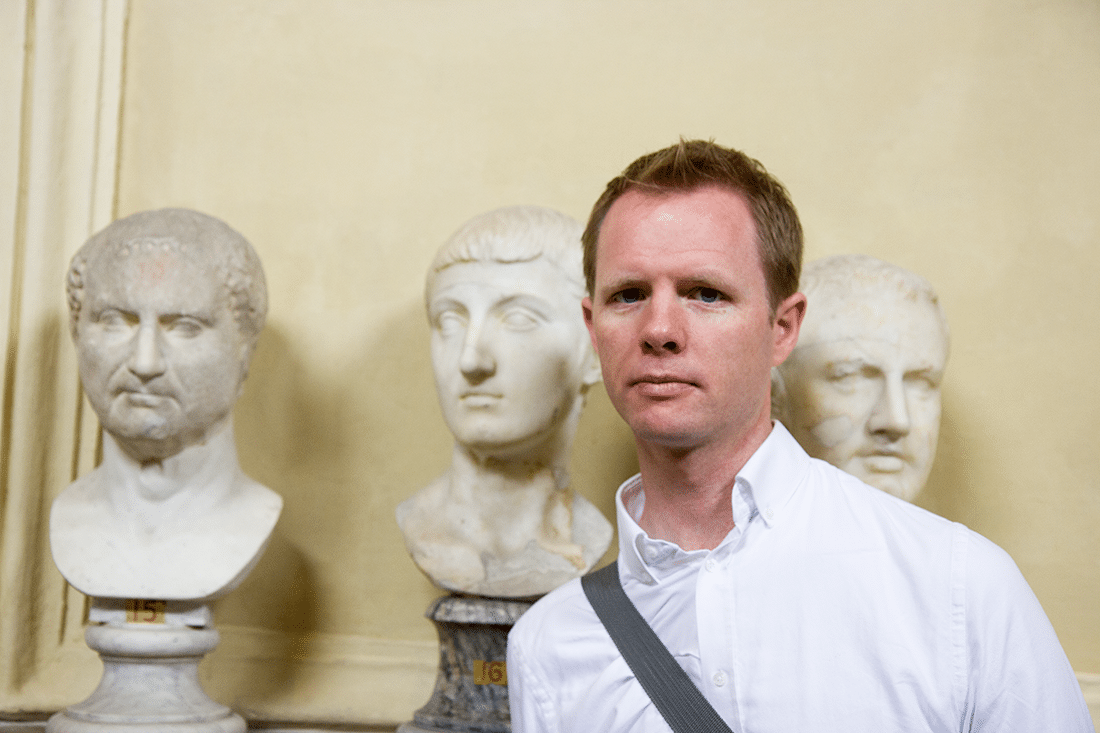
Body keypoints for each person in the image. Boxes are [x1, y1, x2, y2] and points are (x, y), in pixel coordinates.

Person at [506, 140, 1092, 731]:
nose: (660, 329)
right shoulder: (551, 650)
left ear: (782, 328)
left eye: (706, 293)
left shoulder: (957, 588)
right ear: (592, 326)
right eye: (628, 295)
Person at [50, 208, 282, 604]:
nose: (145, 362)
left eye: (185, 327)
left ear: (244, 351)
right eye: (114, 321)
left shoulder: (253, 516)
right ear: (77, 336)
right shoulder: (67, 522)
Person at [396, 205, 611, 598]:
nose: (472, 359)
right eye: (450, 321)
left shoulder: (593, 535)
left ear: (594, 352)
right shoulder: (420, 525)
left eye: (519, 320)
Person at [773, 254, 950, 501]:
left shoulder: (957, 541)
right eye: (851, 377)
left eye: (921, 383)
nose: (897, 421)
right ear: (774, 396)